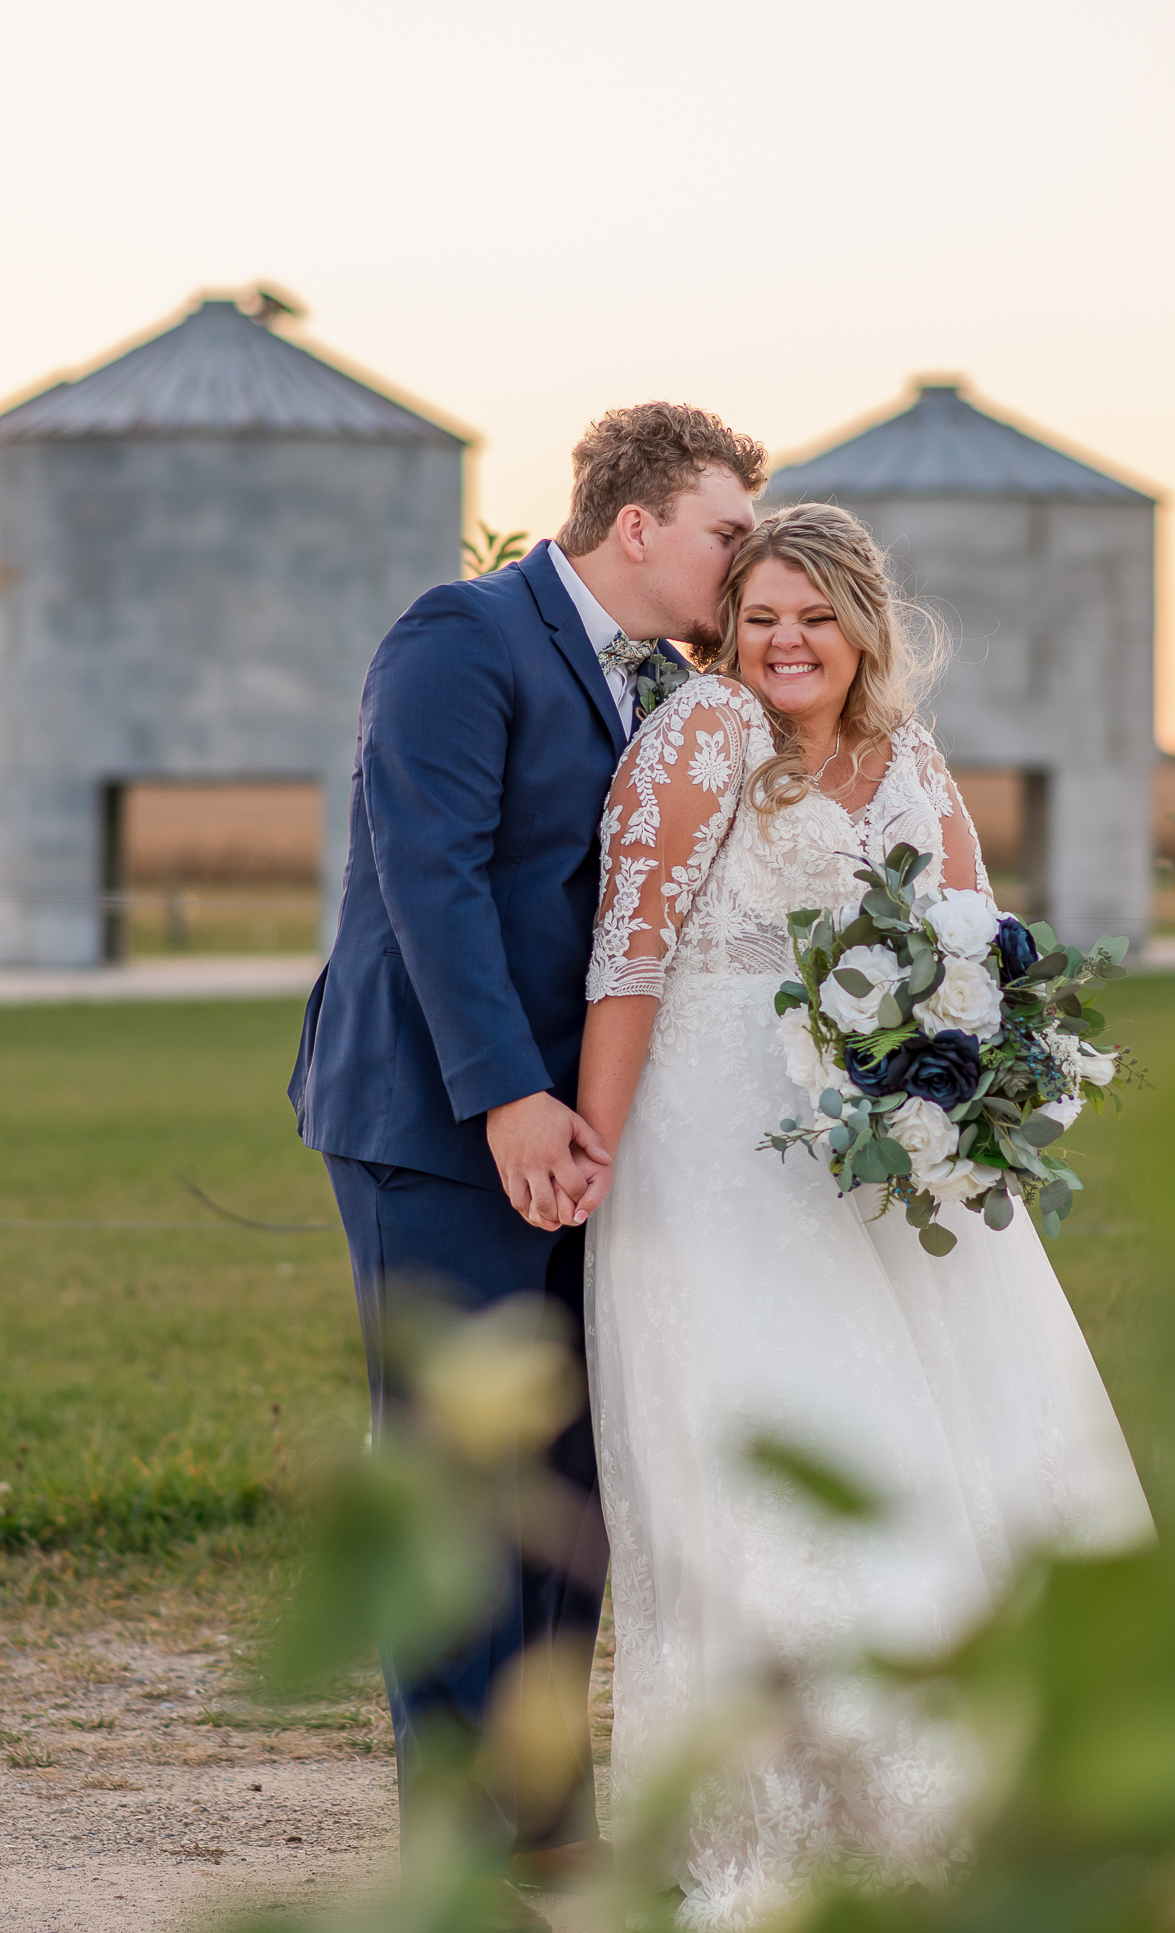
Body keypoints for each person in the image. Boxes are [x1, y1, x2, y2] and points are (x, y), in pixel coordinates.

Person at [575, 502, 1155, 1928]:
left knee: (947, 1433)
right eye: (760, 616)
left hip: (879, 1154)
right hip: (711, 1147)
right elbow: (628, 958)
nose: (784, 642)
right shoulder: (700, 735)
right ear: (728, 629)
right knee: (772, 1440)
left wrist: (973, 1092)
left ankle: (993, 1759)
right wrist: (592, 1142)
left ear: (862, 629)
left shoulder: (907, 753)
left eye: (813, 617)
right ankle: (791, 1801)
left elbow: (968, 931)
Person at [287, 401, 768, 1927]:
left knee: (573, 1476)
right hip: (438, 1126)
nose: (742, 563)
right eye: (725, 531)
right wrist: (505, 1096)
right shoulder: (460, 635)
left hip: (588, 1132)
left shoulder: (661, 684)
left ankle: (547, 1808)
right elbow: (422, 875)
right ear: (638, 526)